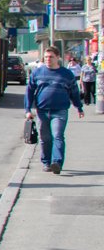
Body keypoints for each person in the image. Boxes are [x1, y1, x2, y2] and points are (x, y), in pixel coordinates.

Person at [25, 46, 85, 174]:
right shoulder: (37, 72)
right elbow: (30, 91)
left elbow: (74, 92)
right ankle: (46, 162)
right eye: (46, 57)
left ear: (58, 57)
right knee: (45, 138)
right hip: (42, 111)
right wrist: (28, 109)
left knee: (58, 136)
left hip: (60, 111)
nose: (48, 59)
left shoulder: (66, 74)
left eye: (51, 57)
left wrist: (79, 107)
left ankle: (56, 162)